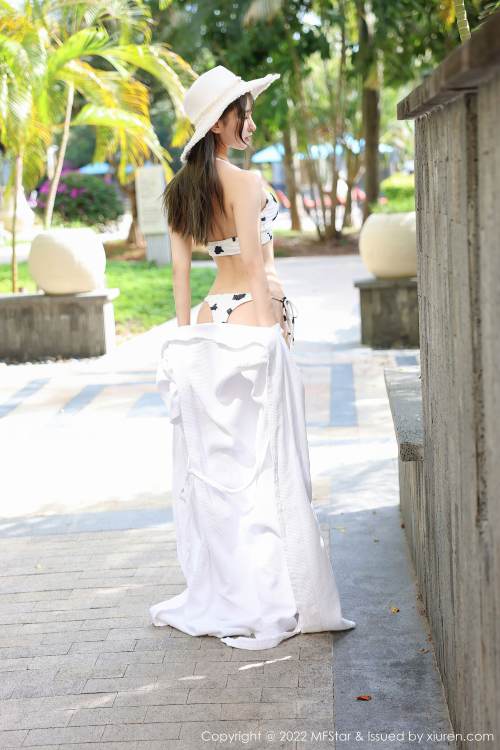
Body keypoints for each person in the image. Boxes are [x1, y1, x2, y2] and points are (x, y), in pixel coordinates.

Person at [149, 65, 356, 650]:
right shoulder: (247, 182)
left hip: (209, 324)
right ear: (220, 122)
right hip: (251, 321)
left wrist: (184, 341)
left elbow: (181, 276)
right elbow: (258, 268)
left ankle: (235, 589)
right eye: (244, 113)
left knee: (225, 473)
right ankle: (272, 594)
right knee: (269, 466)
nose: (251, 122)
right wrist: (270, 335)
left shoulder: (179, 191)